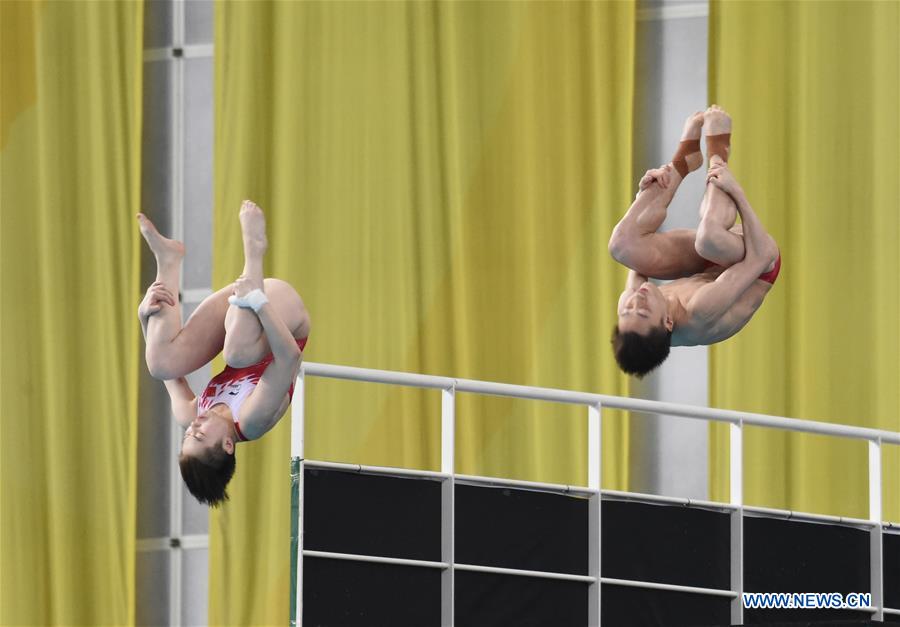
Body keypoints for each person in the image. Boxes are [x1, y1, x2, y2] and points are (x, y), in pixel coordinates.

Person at [137, 200, 311, 506]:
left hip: (241, 311)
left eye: (188, 435)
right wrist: (258, 302)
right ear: (228, 444)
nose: (194, 426)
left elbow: (162, 364)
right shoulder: (252, 419)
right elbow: (288, 357)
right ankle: (254, 252)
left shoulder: (192, 413)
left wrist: (144, 317)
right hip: (282, 315)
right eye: (200, 436)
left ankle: (168, 261)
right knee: (238, 353)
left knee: (160, 364)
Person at [608, 106, 779, 378]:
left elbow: (637, 262)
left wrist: (645, 195)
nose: (635, 300)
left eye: (627, 309)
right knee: (709, 238)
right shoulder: (701, 310)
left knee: (622, 246)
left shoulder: (631, 308)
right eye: (641, 312)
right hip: (756, 261)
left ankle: (681, 161)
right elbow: (763, 255)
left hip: (710, 261)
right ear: (667, 322)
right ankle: (718, 153)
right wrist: (736, 191)